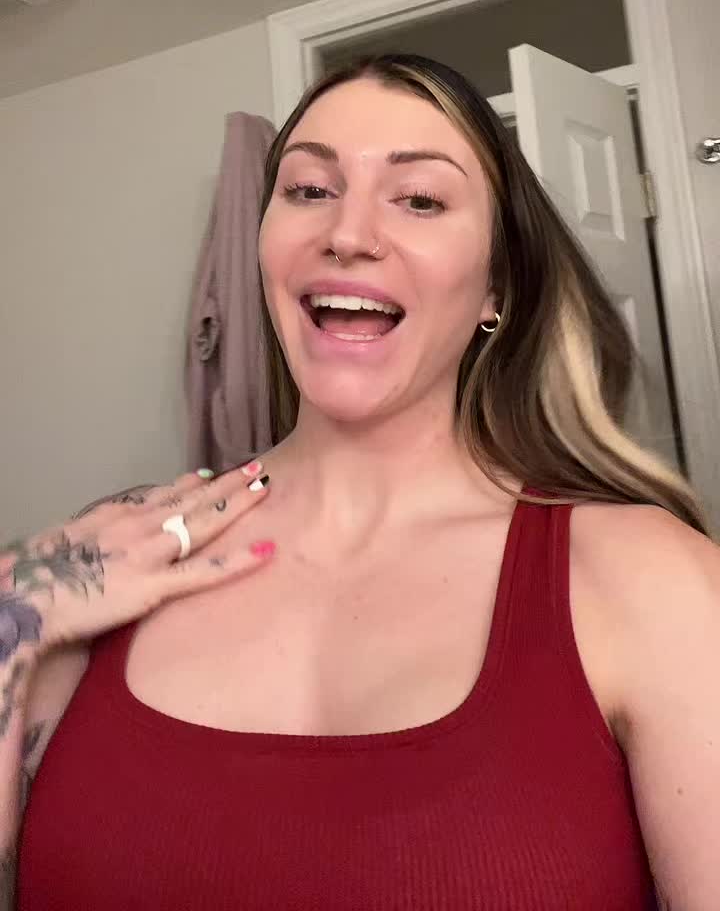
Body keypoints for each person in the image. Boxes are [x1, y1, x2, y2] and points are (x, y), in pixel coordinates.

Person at [2, 54, 718, 910]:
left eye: (420, 199)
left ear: (496, 285)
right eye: (309, 190)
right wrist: (11, 616)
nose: (347, 233)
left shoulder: (653, 580)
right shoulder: (104, 555)